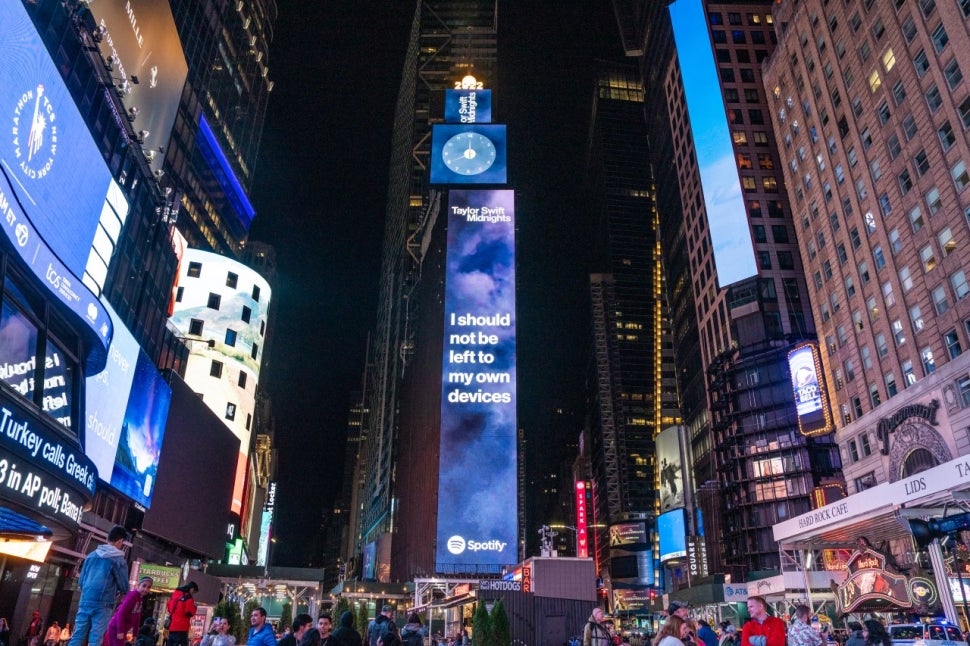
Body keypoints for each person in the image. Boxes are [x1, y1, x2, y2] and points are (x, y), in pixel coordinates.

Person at [68, 526, 130, 646]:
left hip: (85, 600)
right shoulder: (118, 560)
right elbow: (124, 585)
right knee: (95, 639)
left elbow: (81, 581)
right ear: (120, 541)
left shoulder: (91, 555)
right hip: (104, 603)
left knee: (77, 635)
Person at [106, 576, 152, 646]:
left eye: (148, 587)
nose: (145, 589)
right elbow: (121, 613)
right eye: (144, 586)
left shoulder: (140, 598)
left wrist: (135, 634)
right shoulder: (132, 596)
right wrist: (120, 630)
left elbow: (137, 617)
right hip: (115, 628)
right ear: (138, 585)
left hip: (122, 630)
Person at [165, 582, 198, 646]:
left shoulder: (174, 595)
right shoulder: (188, 598)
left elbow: (169, 608)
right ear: (191, 589)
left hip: (172, 627)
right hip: (182, 628)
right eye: (194, 592)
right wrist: (195, 607)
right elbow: (189, 613)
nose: (193, 594)